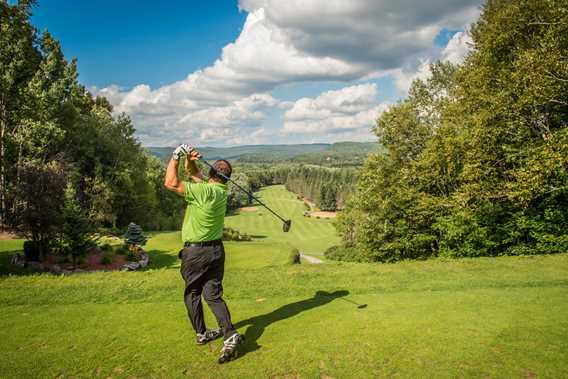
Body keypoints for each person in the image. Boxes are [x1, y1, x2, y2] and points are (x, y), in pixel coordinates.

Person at [164, 143, 243, 364]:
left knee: (192, 294)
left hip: (196, 253)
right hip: (216, 251)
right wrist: (190, 159)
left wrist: (176, 156)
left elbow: (170, 182)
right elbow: (195, 175)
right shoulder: (219, 191)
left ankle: (201, 333)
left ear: (212, 173)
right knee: (212, 295)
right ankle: (229, 334)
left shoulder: (204, 190)